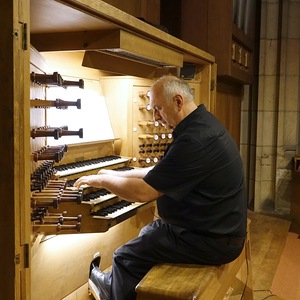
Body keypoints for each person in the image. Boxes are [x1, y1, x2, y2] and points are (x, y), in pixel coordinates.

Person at [74, 75, 247, 300]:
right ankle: (118, 285)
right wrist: (118, 173)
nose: (155, 117)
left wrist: (100, 181)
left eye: (158, 109)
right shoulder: (202, 124)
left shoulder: (194, 140)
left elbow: (142, 192)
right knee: (148, 232)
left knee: (123, 256)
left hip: (212, 240)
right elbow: (162, 173)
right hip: (214, 228)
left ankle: (112, 291)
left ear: (178, 101)